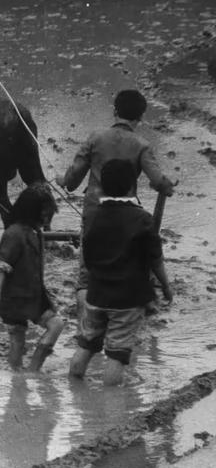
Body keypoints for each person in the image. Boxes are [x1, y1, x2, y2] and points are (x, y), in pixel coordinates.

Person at [56, 89, 175, 317]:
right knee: (129, 264)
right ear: (140, 117)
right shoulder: (141, 145)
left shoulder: (95, 137)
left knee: (86, 276)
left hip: (94, 214)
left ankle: (84, 327)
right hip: (128, 217)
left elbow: (72, 180)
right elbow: (159, 181)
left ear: (114, 111)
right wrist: (167, 186)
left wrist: (63, 180)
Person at [69, 159, 173, 386]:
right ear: (131, 187)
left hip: (96, 295)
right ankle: (110, 406)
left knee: (86, 345)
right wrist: (165, 286)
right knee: (117, 355)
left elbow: (88, 256)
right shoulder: (143, 219)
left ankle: (75, 388)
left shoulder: (93, 216)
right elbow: (155, 260)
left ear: (103, 187)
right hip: (126, 300)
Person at [0, 184, 65, 371]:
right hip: (15, 298)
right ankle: (22, 377)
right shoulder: (13, 234)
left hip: (33, 296)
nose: (47, 219)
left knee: (55, 325)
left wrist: (69, 236)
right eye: (45, 214)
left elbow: (42, 236)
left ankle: (30, 371)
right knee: (18, 340)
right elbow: (1, 265)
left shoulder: (33, 231)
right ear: (33, 212)